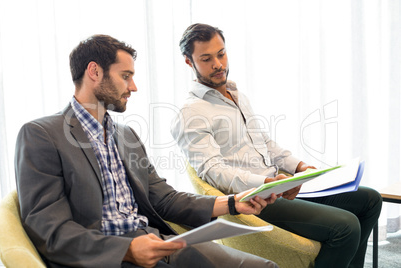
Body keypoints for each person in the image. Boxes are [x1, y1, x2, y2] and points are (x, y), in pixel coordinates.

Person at [14, 34, 279, 268]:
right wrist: (127, 250)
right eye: (125, 76)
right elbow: (50, 230)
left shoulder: (125, 135)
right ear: (94, 72)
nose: (133, 87)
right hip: (108, 257)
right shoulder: (41, 135)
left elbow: (164, 199)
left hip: (156, 241)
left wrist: (233, 202)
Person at [171, 23, 383, 268]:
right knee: (346, 226)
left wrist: (300, 167)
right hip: (255, 200)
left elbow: (265, 143)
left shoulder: (235, 94)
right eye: (206, 58)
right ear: (189, 62)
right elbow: (213, 171)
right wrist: (264, 184)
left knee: (370, 199)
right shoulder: (191, 113)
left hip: (279, 185)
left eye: (221, 53)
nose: (218, 64)